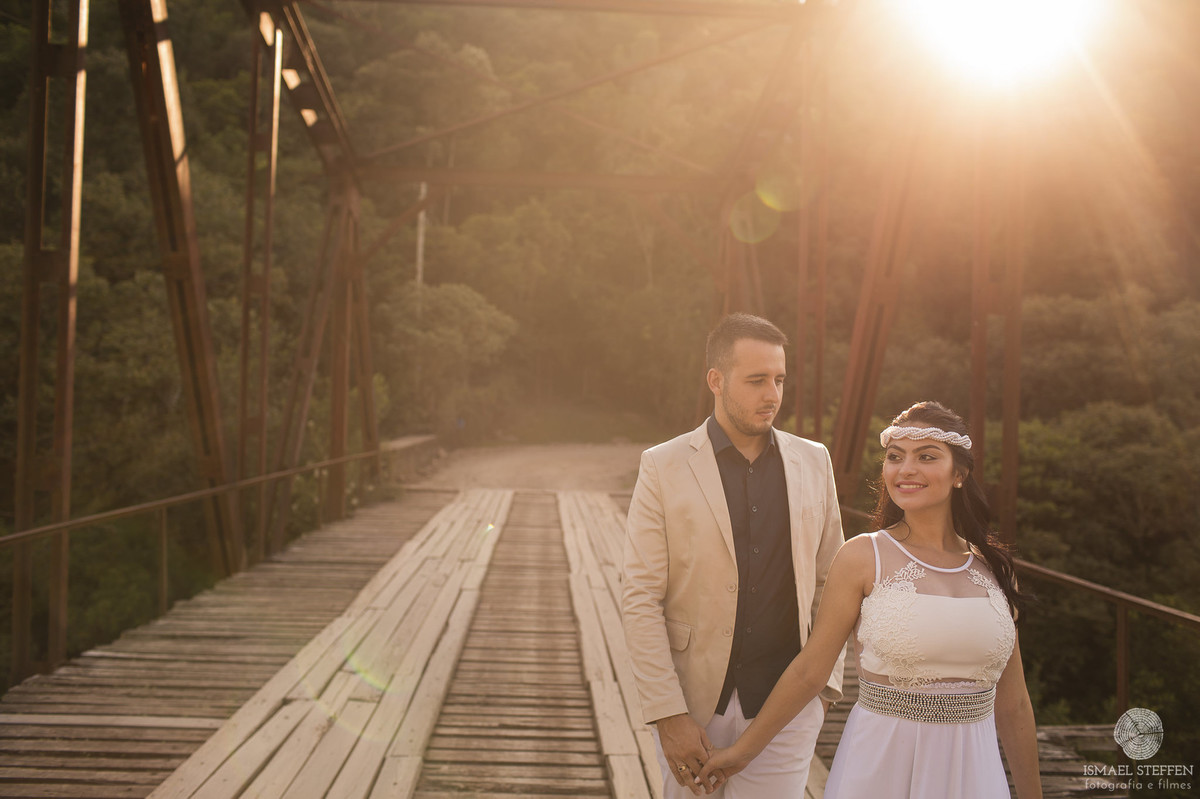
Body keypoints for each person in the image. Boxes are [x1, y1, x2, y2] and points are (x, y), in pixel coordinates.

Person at [696, 400, 1043, 799]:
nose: (906, 469)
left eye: (926, 457)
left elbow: (1014, 702)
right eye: (895, 457)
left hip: (975, 772)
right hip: (882, 767)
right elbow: (811, 670)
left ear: (959, 474)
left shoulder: (995, 568)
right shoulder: (863, 557)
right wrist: (743, 751)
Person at [621, 313, 846, 798]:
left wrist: (823, 691)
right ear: (716, 381)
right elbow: (640, 598)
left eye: (780, 379)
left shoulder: (814, 461)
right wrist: (668, 714)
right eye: (757, 380)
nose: (773, 394)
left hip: (786, 706)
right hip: (694, 703)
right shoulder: (663, 465)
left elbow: (833, 583)